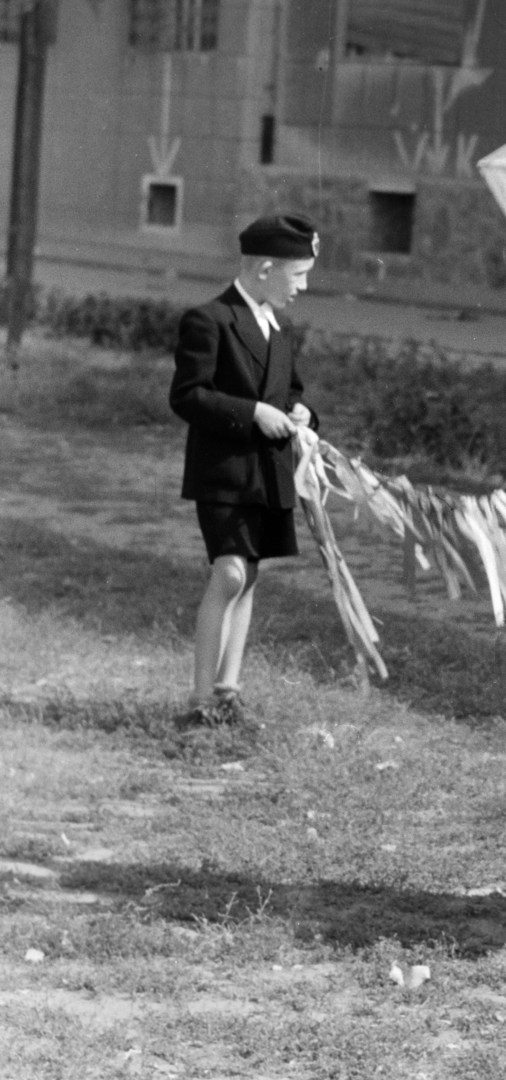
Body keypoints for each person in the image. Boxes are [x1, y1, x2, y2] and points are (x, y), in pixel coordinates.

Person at [170, 213, 319, 727]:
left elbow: (291, 390)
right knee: (230, 572)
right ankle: (199, 697)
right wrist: (252, 412)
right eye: (296, 275)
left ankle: (228, 691)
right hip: (225, 472)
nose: (302, 287)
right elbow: (189, 395)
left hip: (269, 473)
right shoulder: (209, 319)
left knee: (249, 575)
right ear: (264, 268)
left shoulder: (278, 326)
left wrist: (301, 413)